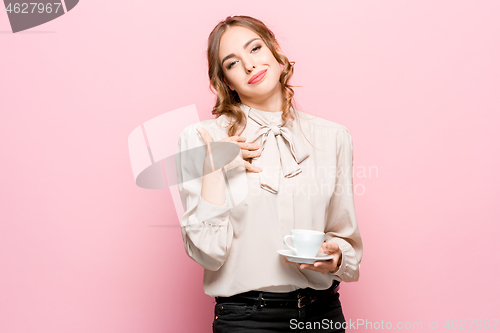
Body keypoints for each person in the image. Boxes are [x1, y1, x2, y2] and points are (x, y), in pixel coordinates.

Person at [176, 15, 363, 333]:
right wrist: (212, 169)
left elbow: (344, 237)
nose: (249, 65)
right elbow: (207, 253)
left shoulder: (333, 137)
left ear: (276, 53)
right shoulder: (201, 139)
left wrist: (335, 258)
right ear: (226, 82)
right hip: (248, 320)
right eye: (232, 63)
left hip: (323, 315)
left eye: (255, 48)